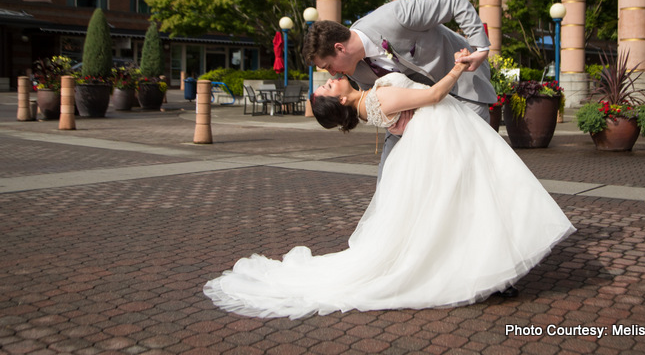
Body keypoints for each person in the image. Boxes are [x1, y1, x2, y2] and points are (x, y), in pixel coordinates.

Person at [203, 51, 575, 319]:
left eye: (328, 78)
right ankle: (490, 270)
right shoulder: (378, 98)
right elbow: (431, 96)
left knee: (466, 206)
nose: (331, 79)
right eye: (329, 86)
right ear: (339, 100)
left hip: (438, 139)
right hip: (443, 139)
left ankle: (491, 269)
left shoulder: (367, 101)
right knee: (475, 201)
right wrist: (458, 68)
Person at [301, 0, 498, 180]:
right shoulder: (356, 71)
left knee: (476, 161)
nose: (332, 74)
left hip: (464, 82)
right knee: (389, 169)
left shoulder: (396, 16)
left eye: (328, 66)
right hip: (426, 110)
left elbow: (455, 1)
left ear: (340, 48)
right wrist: (395, 124)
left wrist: (480, 47)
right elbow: (386, 103)